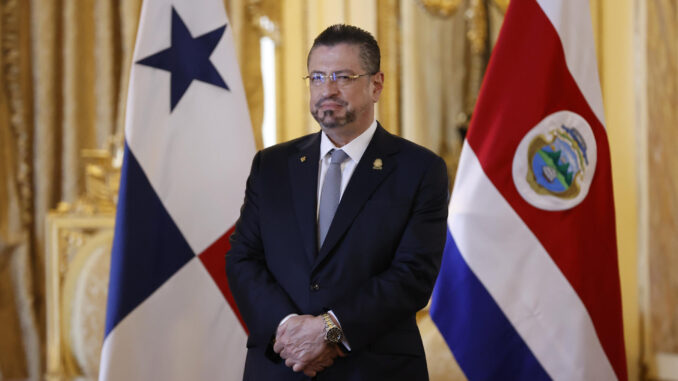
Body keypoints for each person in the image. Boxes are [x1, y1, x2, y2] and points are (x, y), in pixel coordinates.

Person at [226, 24, 449, 380]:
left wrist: (329, 331)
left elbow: (413, 275)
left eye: (342, 77)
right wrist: (289, 328)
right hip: (282, 366)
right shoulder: (271, 165)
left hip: (375, 369)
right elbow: (243, 259)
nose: (327, 90)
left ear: (376, 85)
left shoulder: (420, 170)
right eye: (316, 77)